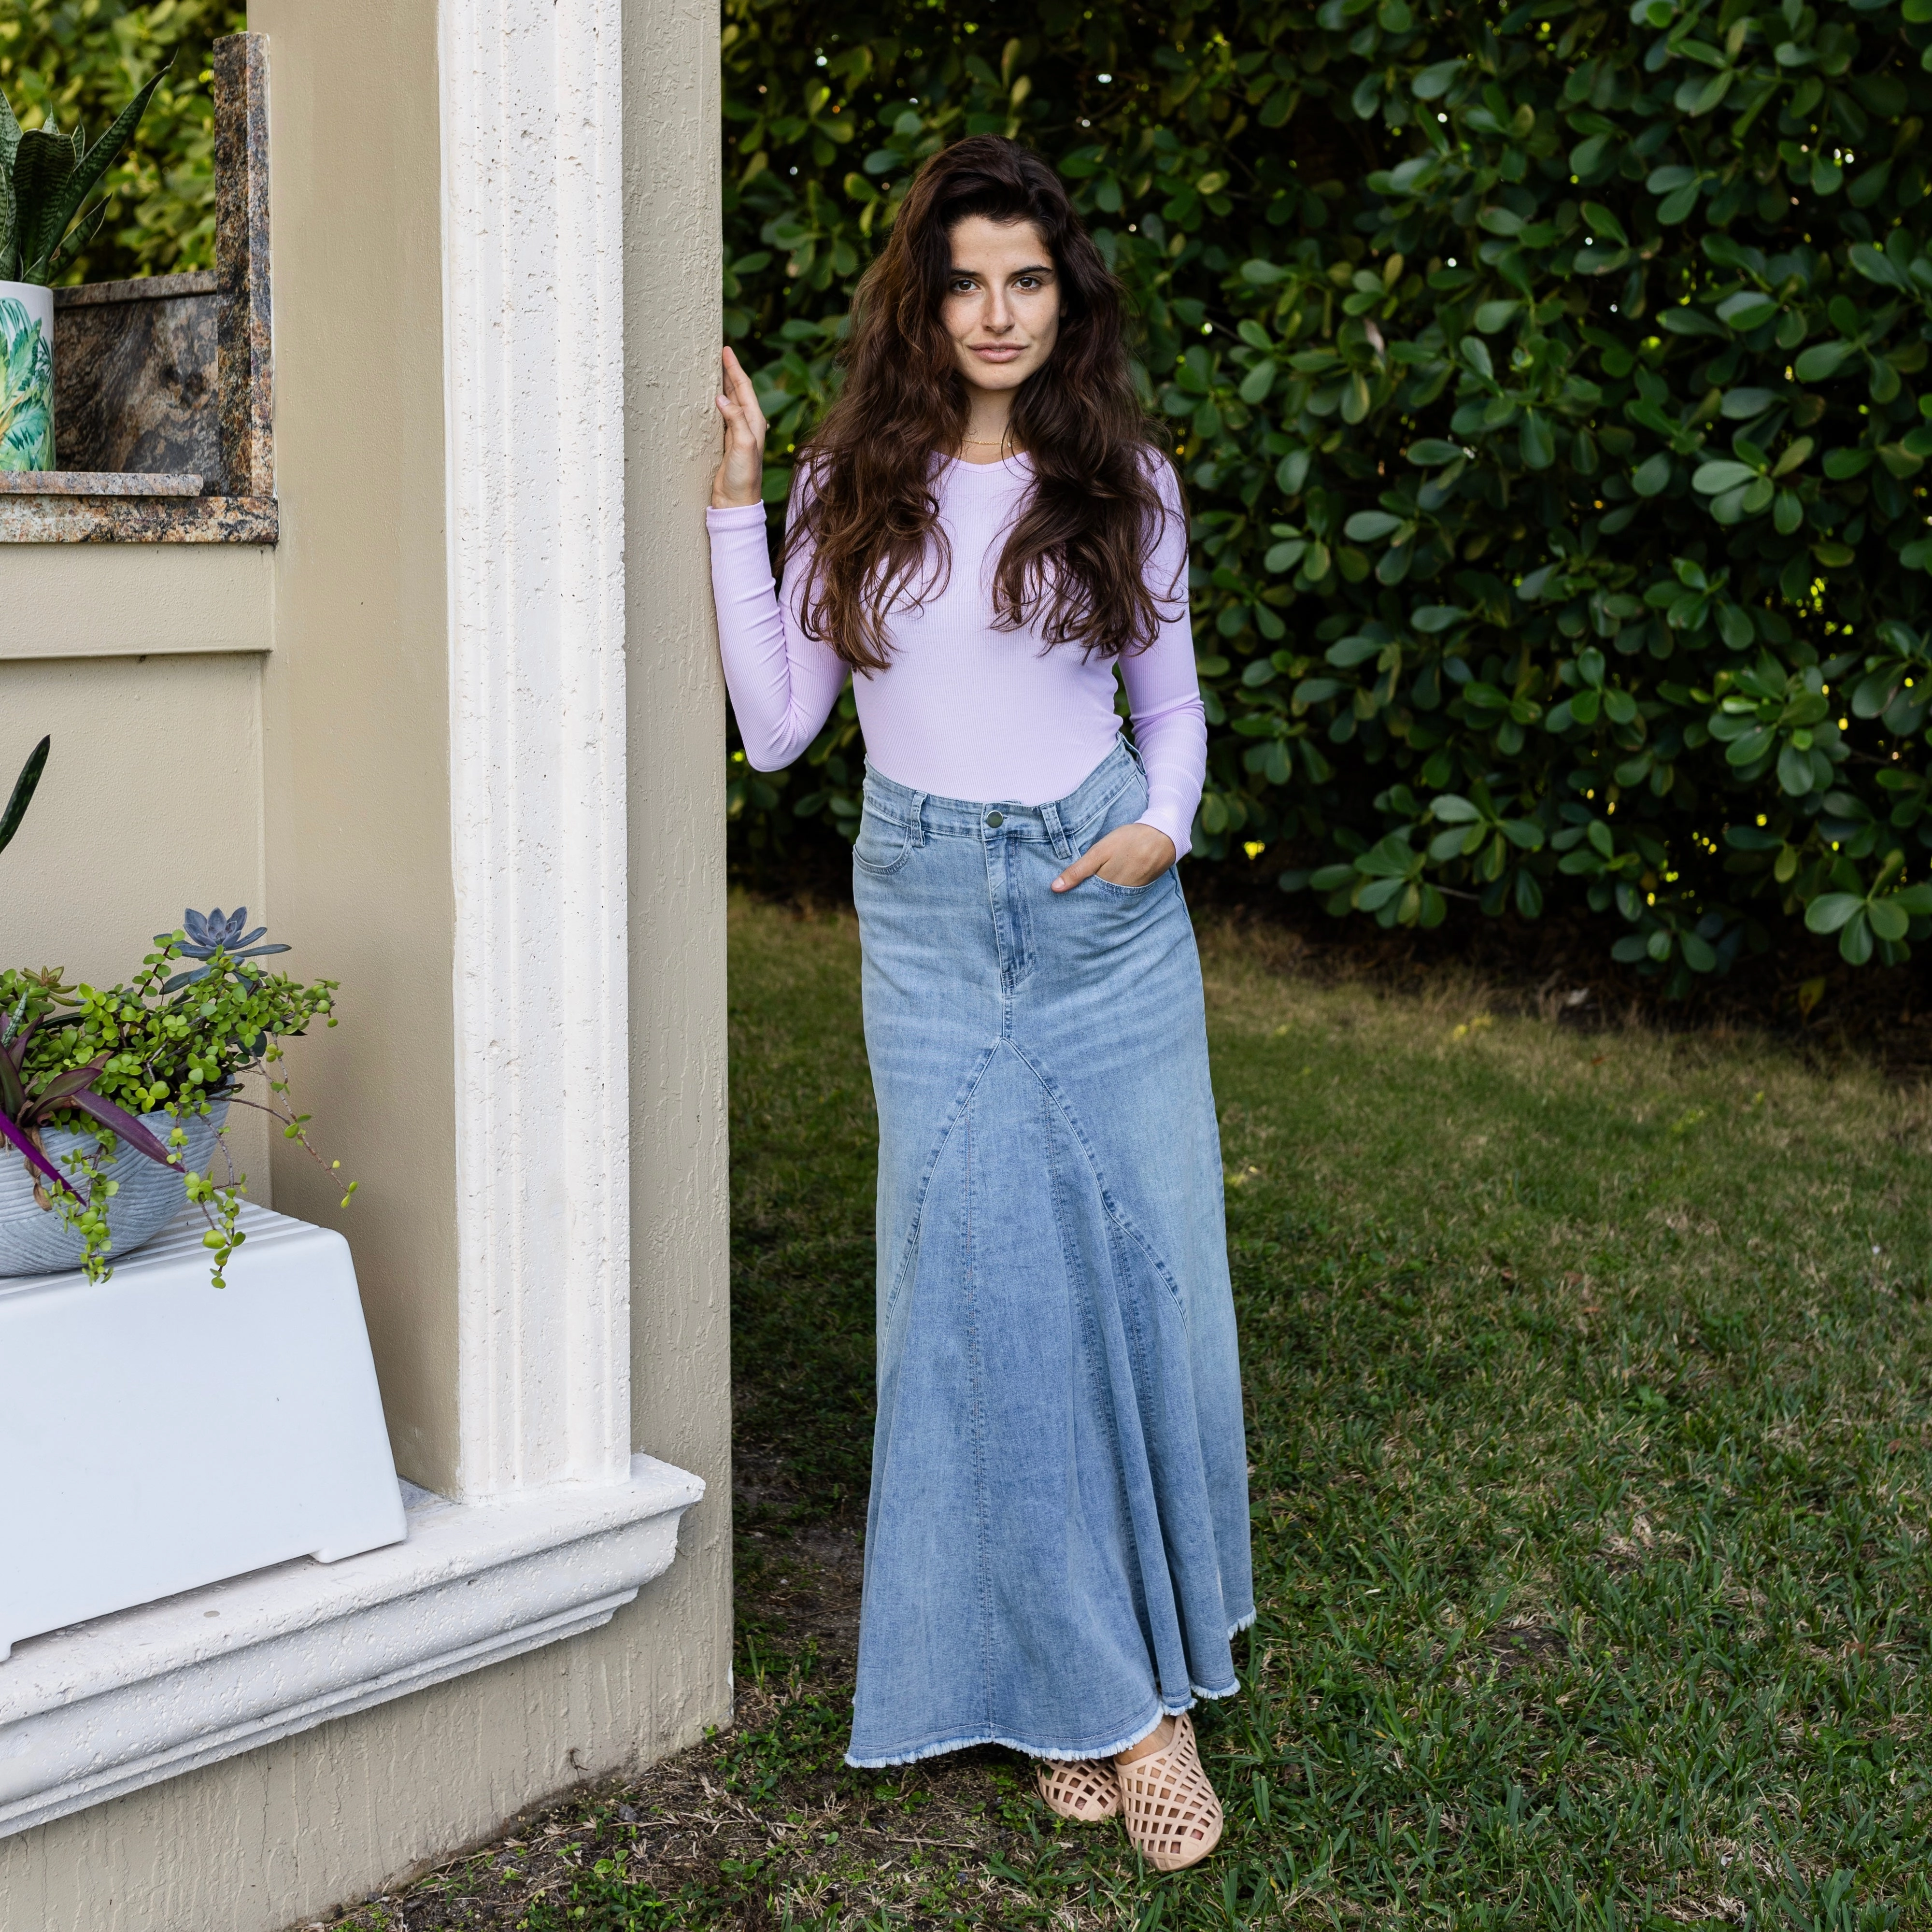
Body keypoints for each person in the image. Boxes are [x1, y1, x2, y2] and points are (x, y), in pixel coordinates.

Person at [707, 133, 1251, 1873]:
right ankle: (1118, 1704)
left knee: (1129, 1268)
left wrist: (1159, 834)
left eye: (1028, 281)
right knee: (977, 1287)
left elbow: (1170, 711)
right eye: (967, 282)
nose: (998, 313)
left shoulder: (1127, 481)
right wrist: (735, 502)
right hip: (930, 916)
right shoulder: (845, 486)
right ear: (921, 304)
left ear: (1062, 300)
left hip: (1104, 905)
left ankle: (1100, 1678)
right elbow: (783, 726)